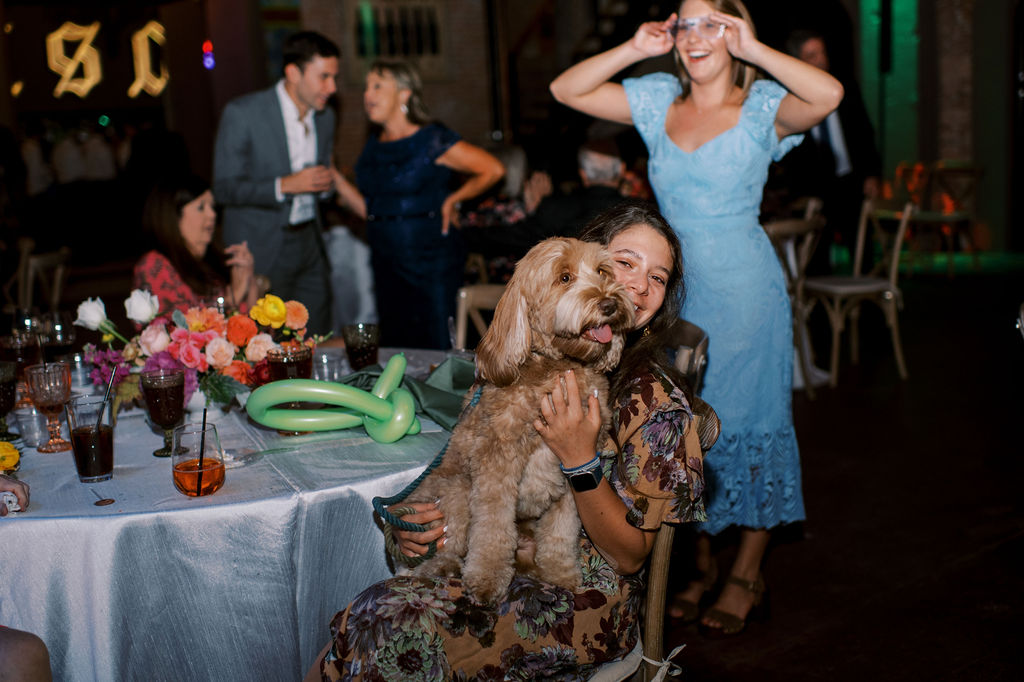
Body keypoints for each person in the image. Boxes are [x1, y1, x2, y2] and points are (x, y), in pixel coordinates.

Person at [306, 200, 707, 680]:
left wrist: (580, 461)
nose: (639, 286)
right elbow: (468, 467)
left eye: (658, 277)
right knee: (357, 622)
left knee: (380, 625)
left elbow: (630, 555)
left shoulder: (657, 403)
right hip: (500, 550)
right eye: (624, 263)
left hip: (586, 593)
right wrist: (417, 527)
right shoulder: (534, 360)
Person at [549, 0, 843, 636]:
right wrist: (635, 48)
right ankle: (700, 563)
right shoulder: (658, 98)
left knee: (752, 423)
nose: (696, 35)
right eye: (687, 23)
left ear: (735, 31)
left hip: (746, 297)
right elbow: (566, 90)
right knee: (678, 425)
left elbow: (828, 94)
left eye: (713, 22)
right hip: (666, 295)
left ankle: (747, 574)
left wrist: (754, 48)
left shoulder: (761, 104)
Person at [330, 59, 505, 350]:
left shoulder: (431, 139)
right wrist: (335, 178)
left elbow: (493, 169)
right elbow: (371, 211)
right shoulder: (373, 146)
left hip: (430, 262)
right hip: (385, 261)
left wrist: (455, 199)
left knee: (437, 343)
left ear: (404, 93)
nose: (367, 94)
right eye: (366, 87)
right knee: (397, 346)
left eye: (377, 86)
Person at [213, 31, 339, 335]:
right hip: (263, 246)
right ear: (293, 73)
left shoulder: (326, 118)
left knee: (315, 335)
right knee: (267, 344)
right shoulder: (243, 113)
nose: (332, 87)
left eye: (334, 77)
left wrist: (326, 186)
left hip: (310, 242)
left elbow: (324, 182)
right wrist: (284, 185)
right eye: (324, 77)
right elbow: (224, 187)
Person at [775, 28, 882, 274]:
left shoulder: (843, 88)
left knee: (862, 251)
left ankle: (865, 296)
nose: (821, 60)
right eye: (812, 55)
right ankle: (819, 297)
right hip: (813, 188)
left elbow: (865, 133)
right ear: (798, 61)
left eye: (822, 53)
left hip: (849, 181)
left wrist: (872, 173)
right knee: (816, 258)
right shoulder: (789, 97)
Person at [461, 137, 629, 263]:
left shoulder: (557, 208)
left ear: (583, 175)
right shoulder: (637, 211)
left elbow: (513, 239)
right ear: (622, 170)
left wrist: (458, 231)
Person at [133, 175, 258, 317]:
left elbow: (251, 323)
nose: (212, 214)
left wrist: (248, 280)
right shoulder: (154, 265)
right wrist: (234, 296)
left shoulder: (213, 262)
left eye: (212, 207)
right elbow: (177, 327)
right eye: (201, 207)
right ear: (174, 216)